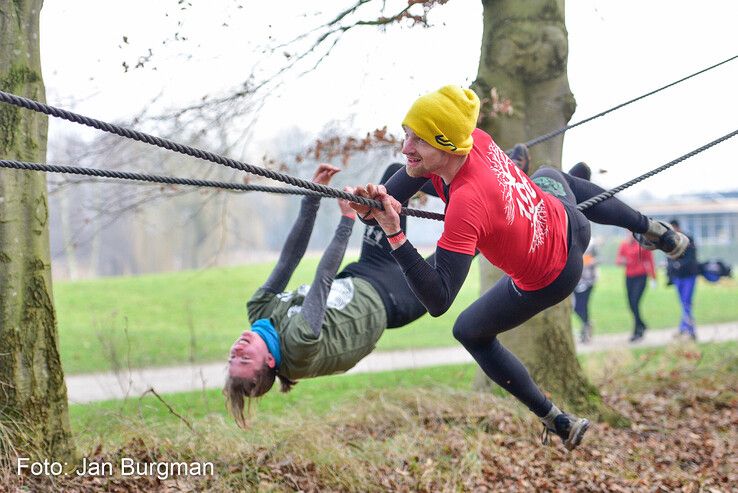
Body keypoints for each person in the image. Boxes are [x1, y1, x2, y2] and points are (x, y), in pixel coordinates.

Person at [349, 85, 689, 451]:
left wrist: (395, 234)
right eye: (407, 133)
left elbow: (438, 298)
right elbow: (384, 204)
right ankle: (653, 231)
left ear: (447, 145)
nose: (405, 147)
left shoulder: (467, 205)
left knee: (469, 331)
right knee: (555, 176)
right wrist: (371, 208)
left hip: (556, 274)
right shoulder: (473, 139)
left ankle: (554, 418)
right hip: (564, 215)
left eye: (419, 140)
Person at [224, 163, 432, 427]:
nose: (238, 348)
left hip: (366, 271)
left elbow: (288, 261)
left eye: (233, 356)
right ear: (268, 360)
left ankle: (462, 182)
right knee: (468, 239)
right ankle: (492, 205)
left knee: (393, 173)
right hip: (396, 300)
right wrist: (346, 221)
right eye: (245, 358)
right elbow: (322, 280)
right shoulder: (297, 346)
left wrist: (312, 198)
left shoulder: (259, 311)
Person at [616, 233, 657, 342]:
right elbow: (618, 260)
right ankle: (641, 324)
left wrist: (653, 277)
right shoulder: (624, 245)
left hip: (641, 276)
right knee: (631, 304)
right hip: (629, 277)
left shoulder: (642, 245)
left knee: (635, 302)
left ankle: (637, 331)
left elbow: (650, 261)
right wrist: (623, 261)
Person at [666, 219, 700, 340]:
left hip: (689, 276)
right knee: (683, 304)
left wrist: (678, 264)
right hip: (678, 277)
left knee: (686, 303)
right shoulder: (669, 241)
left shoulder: (688, 239)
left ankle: (690, 330)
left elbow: (692, 258)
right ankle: (684, 329)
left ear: (677, 228)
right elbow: (669, 259)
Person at [573, 240, 598, 343]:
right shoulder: (572, 239)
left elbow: (596, 258)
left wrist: (589, 261)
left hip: (588, 281)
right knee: (577, 307)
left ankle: (586, 331)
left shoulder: (591, 243)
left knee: (583, 306)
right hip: (575, 281)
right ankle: (587, 324)